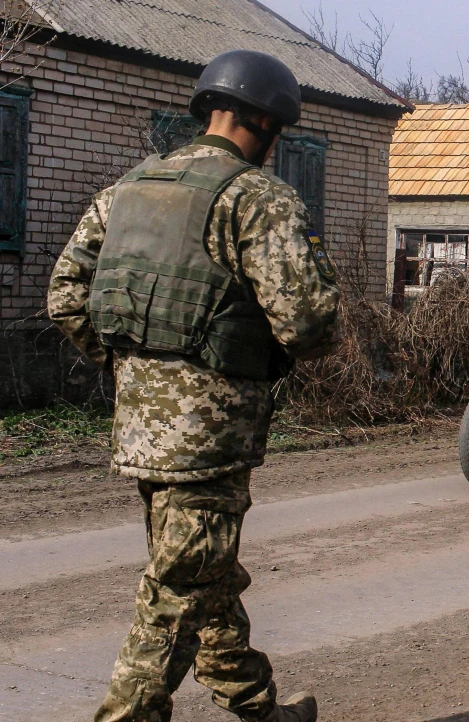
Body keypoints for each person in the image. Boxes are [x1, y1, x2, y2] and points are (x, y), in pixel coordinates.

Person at [47, 49, 340, 722]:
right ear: (266, 123)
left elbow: (66, 295)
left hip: (140, 429)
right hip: (211, 435)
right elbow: (308, 324)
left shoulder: (126, 189)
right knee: (178, 590)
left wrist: (133, 369)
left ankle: (257, 705)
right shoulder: (257, 198)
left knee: (203, 569)